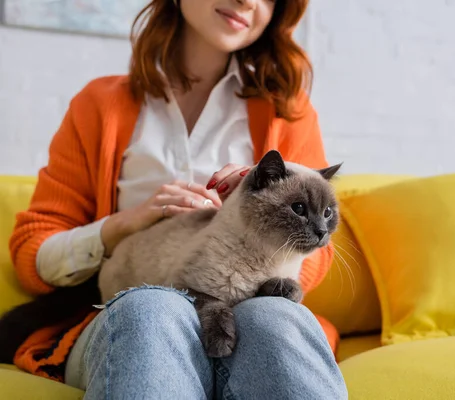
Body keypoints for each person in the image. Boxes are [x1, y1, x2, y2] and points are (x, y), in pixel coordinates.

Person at [8, 0, 348, 398]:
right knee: (152, 309)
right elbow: (33, 253)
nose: (248, 2)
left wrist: (246, 226)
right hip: (133, 316)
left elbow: (316, 247)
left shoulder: (287, 112)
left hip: (249, 323)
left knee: (274, 318)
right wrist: (120, 227)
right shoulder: (99, 104)